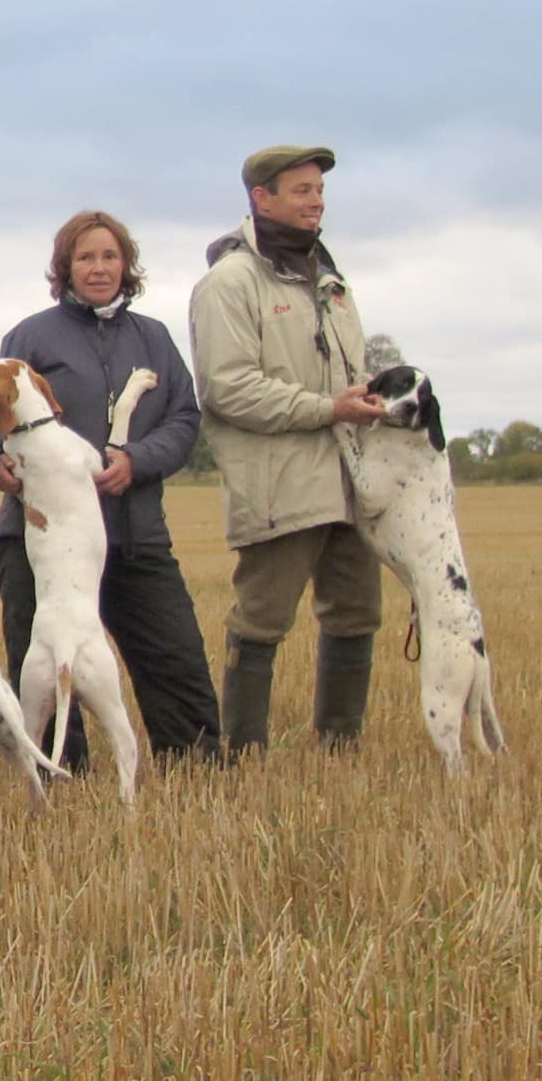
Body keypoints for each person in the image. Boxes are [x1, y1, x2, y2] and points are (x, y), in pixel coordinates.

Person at [0, 210, 222, 767]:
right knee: (41, 667)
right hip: (36, 538)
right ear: (65, 268)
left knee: (174, 659)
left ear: (126, 265)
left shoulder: (153, 339)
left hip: (133, 532)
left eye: (110, 256)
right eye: (85, 257)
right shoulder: (31, 336)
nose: (99, 267)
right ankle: (63, 781)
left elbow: (183, 418)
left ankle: (197, 772)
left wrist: (138, 459)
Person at [190, 145, 385, 755]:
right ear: (261, 198)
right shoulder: (230, 283)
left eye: (319, 190)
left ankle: (339, 750)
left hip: (352, 480)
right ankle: (245, 755)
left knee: (356, 615)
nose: (316, 201)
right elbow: (228, 389)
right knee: (261, 622)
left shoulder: (331, 280)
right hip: (279, 485)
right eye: (301, 190)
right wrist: (329, 408)